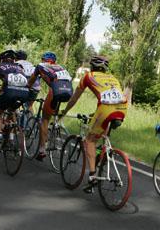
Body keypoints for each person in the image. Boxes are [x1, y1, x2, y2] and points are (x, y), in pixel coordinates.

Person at [61, 55, 127, 193]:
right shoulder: (113, 78)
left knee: (90, 140)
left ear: (92, 66)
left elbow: (74, 98)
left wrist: (65, 111)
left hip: (105, 109)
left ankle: (92, 177)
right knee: (101, 137)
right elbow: (109, 98)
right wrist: (94, 114)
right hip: (122, 109)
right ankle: (100, 158)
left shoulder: (88, 76)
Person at [26, 51, 73, 160]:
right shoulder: (61, 67)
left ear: (43, 60)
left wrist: (26, 87)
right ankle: (56, 124)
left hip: (55, 91)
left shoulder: (40, 66)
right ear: (54, 61)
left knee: (45, 119)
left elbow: (31, 81)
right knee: (53, 112)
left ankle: (42, 149)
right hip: (69, 91)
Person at [0, 50, 29, 149]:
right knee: (12, 110)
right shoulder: (19, 67)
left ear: (2, 60)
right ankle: (11, 136)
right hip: (24, 93)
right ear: (14, 60)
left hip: (10, 92)